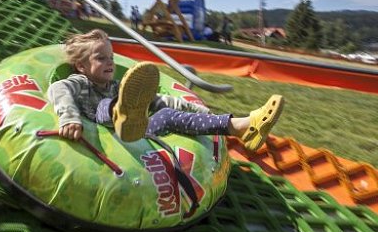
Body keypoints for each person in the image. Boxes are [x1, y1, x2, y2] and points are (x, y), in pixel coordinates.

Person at [48, 29, 285, 151]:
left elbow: (158, 100)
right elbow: (58, 89)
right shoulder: (80, 83)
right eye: (101, 58)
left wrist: (198, 109)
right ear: (81, 66)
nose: (110, 62)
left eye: (110, 57)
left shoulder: (117, 87)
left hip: (134, 136)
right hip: (105, 138)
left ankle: (241, 127)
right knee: (104, 105)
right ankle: (119, 113)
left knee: (165, 114)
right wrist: (69, 118)